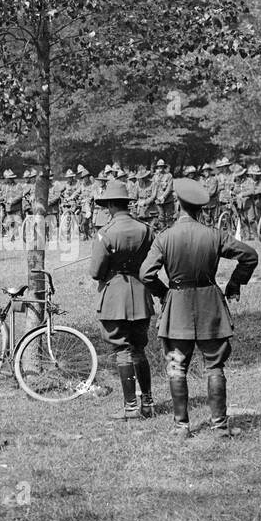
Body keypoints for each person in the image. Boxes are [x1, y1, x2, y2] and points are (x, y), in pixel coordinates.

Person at [139, 177, 258, 437]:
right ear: (200, 208)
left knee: (176, 367)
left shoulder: (165, 238)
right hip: (210, 307)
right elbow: (250, 256)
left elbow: (146, 274)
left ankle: (182, 426)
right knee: (215, 367)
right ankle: (220, 426)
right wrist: (235, 284)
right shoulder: (214, 235)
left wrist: (164, 294)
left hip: (178, 308)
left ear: (178, 205)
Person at [89, 179, 157, 421]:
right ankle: (147, 403)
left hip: (115, 298)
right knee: (139, 350)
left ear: (109, 206)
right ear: (127, 203)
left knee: (122, 351)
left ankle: (130, 407)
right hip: (141, 296)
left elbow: (96, 272)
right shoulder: (146, 230)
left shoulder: (105, 233)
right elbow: (152, 264)